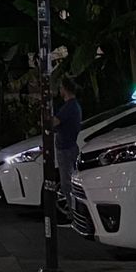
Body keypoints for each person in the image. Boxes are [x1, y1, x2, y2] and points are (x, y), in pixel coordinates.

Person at [53, 76, 82, 222]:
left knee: (66, 183)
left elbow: (55, 122)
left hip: (65, 148)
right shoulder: (73, 106)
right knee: (69, 181)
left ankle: (74, 212)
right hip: (69, 146)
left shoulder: (69, 107)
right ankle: (75, 211)